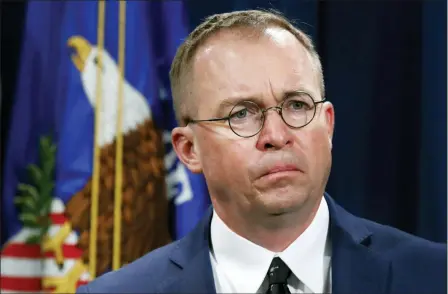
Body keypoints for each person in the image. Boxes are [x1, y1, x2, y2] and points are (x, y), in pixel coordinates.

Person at [76, 9, 446, 294]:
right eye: (242, 113)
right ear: (189, 150)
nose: (277, 134)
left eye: (298, 106)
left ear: (328, 124)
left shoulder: (434, 277)